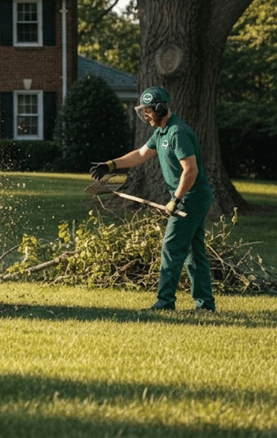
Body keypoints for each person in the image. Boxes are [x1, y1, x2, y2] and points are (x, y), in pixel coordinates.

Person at [90, 86, 216, 312]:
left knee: (171, 246)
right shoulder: (161, 132)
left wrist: (176, 199)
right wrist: (110, 165)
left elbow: (191, 171)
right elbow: (139, 155)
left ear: (160, 108)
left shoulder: (177, 133)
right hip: (190, 196)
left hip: (192, 197)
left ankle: (165, 302)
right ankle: (205, 305)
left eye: (148, 111)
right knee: (193, 251)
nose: (145, 115)